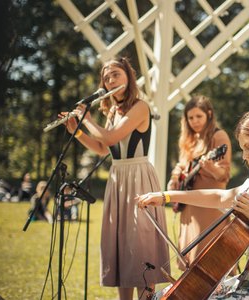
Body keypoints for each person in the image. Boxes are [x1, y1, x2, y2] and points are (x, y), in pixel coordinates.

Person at [137, 110, 249, 299]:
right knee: (163, 296)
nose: (244, 156)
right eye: (242, 149)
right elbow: (219, 197)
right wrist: (166, 196)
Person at [61, 57, 170, 300]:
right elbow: (103, 149)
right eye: (106, 77)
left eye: (116, 75)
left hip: (138, 176)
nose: (110, 81)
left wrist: (86, 120)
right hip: (118, 178)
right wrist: (77, 132)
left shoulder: (141, 107)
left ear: (128, 78)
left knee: (141, 246)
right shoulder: (112, 110)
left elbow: (110, 137)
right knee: (122, 245)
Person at [166, 95, 232, 270]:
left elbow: (223, 175)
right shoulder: (190, 139)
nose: (194, 121)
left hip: (209, 207)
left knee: (212, 263)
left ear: (209, 114)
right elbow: (181, 165)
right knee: (191, 265)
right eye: (190, 117)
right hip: (189, 205)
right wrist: (174, 179)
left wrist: (209, 167)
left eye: (199, 116)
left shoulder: (219, 136)